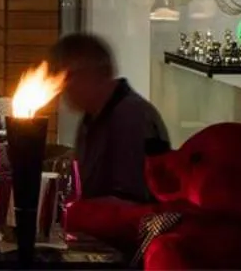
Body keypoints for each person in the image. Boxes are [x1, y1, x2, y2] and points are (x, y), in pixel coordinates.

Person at [50, 31, 170, 204]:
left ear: (96, 73)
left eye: (67, 77)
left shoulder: (131, 118)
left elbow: (131, 201)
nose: (62, 89)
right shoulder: (91, 117)